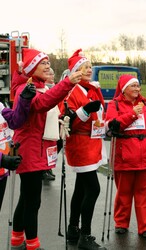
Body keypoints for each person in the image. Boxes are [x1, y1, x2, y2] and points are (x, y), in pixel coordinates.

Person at [10, 48, 82, 250]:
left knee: (26, 198)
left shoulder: (38, 86)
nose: (48, 66)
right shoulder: (27, 88)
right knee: (32, 202)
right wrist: (67, 83)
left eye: (48, 62)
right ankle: (32, 244)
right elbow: (42, 104)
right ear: (33, 68)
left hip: (37, 149)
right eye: (43, 63)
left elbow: (48, 108)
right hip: (30, 150)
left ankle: (17, 239)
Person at [59, 49, 107, 250]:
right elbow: (69, 124)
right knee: (93, 189)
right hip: (81, 145)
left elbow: (99, 116)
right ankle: (84, 236)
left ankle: (73, 229)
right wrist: (86, 111)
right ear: (75, 71)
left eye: (89, 66)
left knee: (81, 189)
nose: (88, 69)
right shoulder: (71, 91)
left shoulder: (91, 89)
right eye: (83, 67)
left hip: (92, 143)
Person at [105, 74, 146, 238]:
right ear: (124, 89)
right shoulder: (114, 104)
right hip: (124, 156)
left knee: (144, 193)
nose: (137, 89)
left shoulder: (145, 103)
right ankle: (121, 223)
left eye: (138, 85)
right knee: (123, 192)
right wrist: (131, 114)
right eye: (133, 86)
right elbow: (111, 127)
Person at [0, 84, 36, 211]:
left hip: (1, 172)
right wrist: (2, 159)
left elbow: (16, 121)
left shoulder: (0, 107)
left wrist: (24, 100)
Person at [42, 67, 56, 181]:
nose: (52, 77)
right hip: (46, 125)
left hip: (54, 123)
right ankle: (45, 170)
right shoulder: (44, 90)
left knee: (53, 147)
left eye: (53, 75)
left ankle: (49, 168)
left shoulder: (53, 88)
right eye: (50, 74)